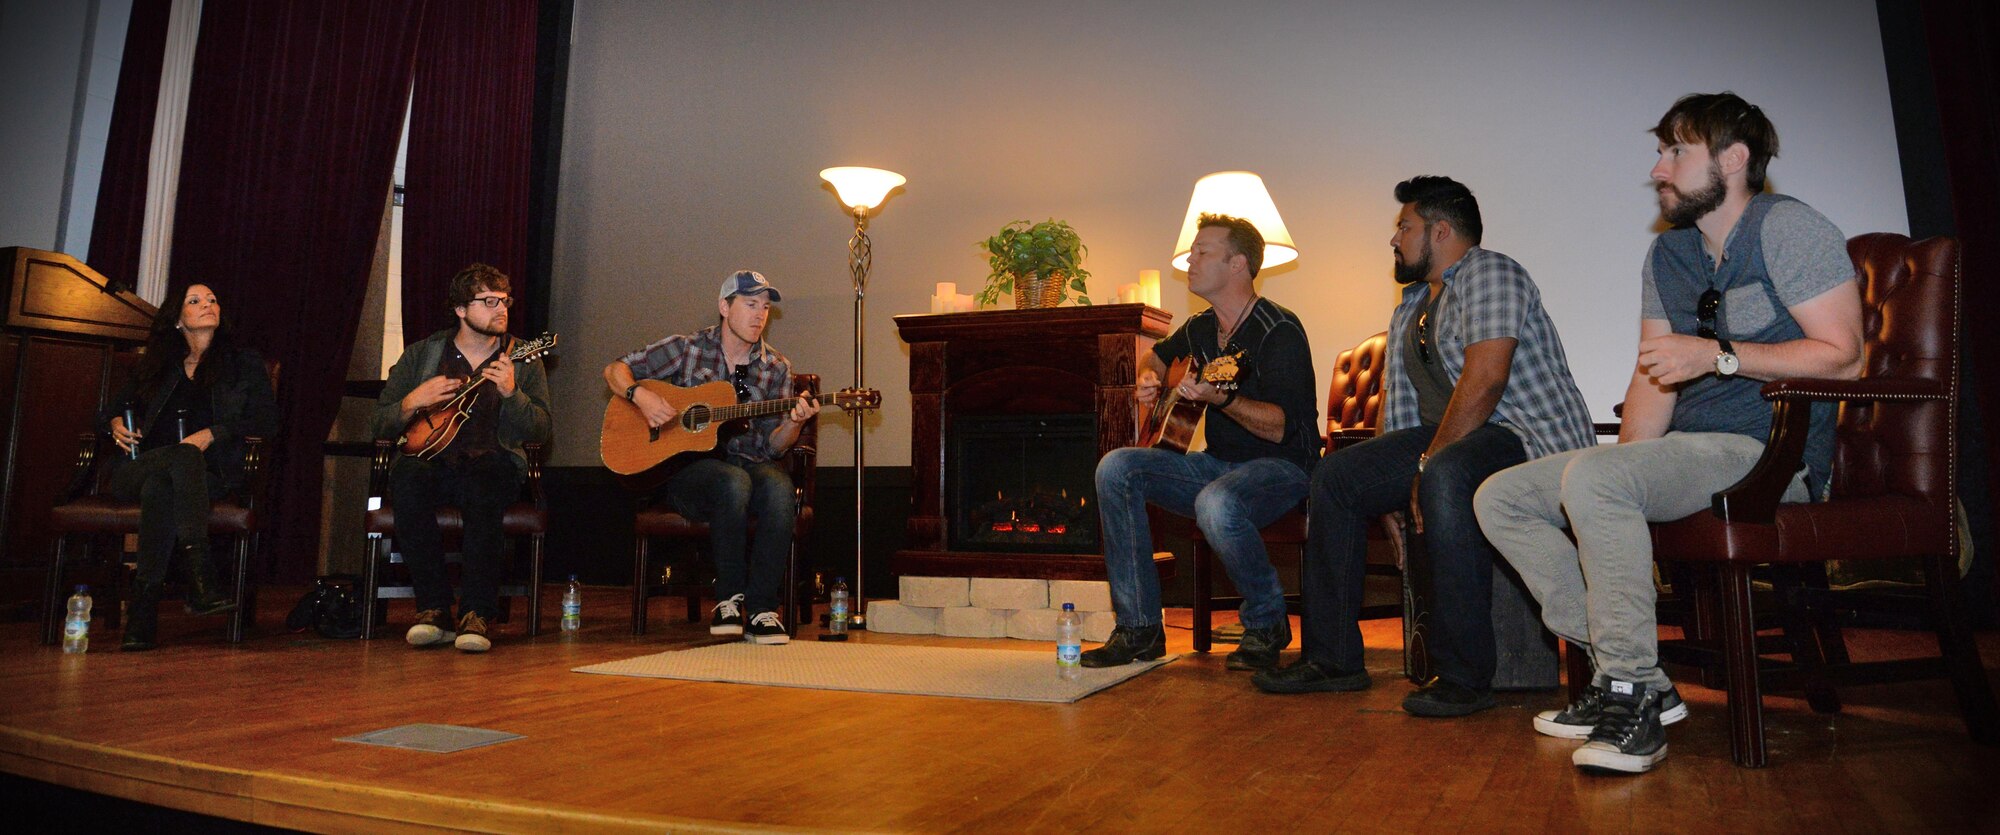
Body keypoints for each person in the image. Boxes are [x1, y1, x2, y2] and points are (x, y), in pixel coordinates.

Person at [1475, 92, 1863, 774]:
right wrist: (1610, 483)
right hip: (1689, 455)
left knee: (1597, 476)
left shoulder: (1789, 229)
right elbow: (1654, 377)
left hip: (1769, 456)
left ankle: (1630, 695)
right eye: (1660, 151)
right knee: (1500, 496)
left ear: (1734, 159)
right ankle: (1635, 674)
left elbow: (1846, 356)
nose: (1657, 168)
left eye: (1675, 150)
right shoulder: (1670, 256)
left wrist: (1721, 356)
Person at [1253, 177, 1595, 716]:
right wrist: (1388, 488)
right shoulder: (1412, 304)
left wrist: (1425, 466)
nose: (1394, 239)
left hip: (1527, 438)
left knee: (1446, 475)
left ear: (1440, 231)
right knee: (1335, 478)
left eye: (1404, 227)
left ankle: (1463, 676)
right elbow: (1403, 412)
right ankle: (1333, 659)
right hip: (1455, 441)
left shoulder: (1492, 272)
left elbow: (1486, 381)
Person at [1081, 213, 1323, 670]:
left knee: (1217, 502)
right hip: (1217, 463)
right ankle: (1139, 629)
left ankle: (1267, 622)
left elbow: (1281, 427)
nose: (1189, 261)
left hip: (1284, 468)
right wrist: (1150, 378)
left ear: (1238, 265)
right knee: (1117, 468)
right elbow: (1154, 354)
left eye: (1202, 253)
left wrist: (1224, 401)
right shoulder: (1200, 327)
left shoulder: (1279, 330)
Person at [603, 270, 819, 645]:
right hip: (689, 475)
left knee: (781, 488)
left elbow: (774, 447)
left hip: (751, 464)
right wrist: (642, 396)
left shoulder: (775, 368)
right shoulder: (687, 348)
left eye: (765, 307)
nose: (759, 315)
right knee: (731, 482)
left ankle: (764, 610)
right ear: (724, 306)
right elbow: (614, 370)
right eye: (750, 304)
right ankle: (729, 601)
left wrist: (795, 424)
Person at [372, 263, 553, 653]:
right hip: (432, 461)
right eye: (488, 301)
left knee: (486, 479)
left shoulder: (523, 359)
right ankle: (433, 610)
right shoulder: (423, 355)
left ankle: (477, 614)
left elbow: (540, 430)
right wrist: (411, 402)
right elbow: (379, 423)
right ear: (460, 309)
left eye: (504, 300)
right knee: (407, 477)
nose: (500, 309)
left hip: (493, 462)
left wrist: (512, 394)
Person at [104, 283, 279, 651]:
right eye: (195, 301)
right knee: (178, 459)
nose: (208, 304)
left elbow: (266, 421)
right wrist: (115, 423)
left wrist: (213, 434)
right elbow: (109, 409)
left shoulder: (242, 364)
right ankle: (199, 578)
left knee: (162, 488)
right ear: (177, 319)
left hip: (205, 477)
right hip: (138, 467)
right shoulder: (156, 365)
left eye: (213, 299)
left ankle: (141, 617)